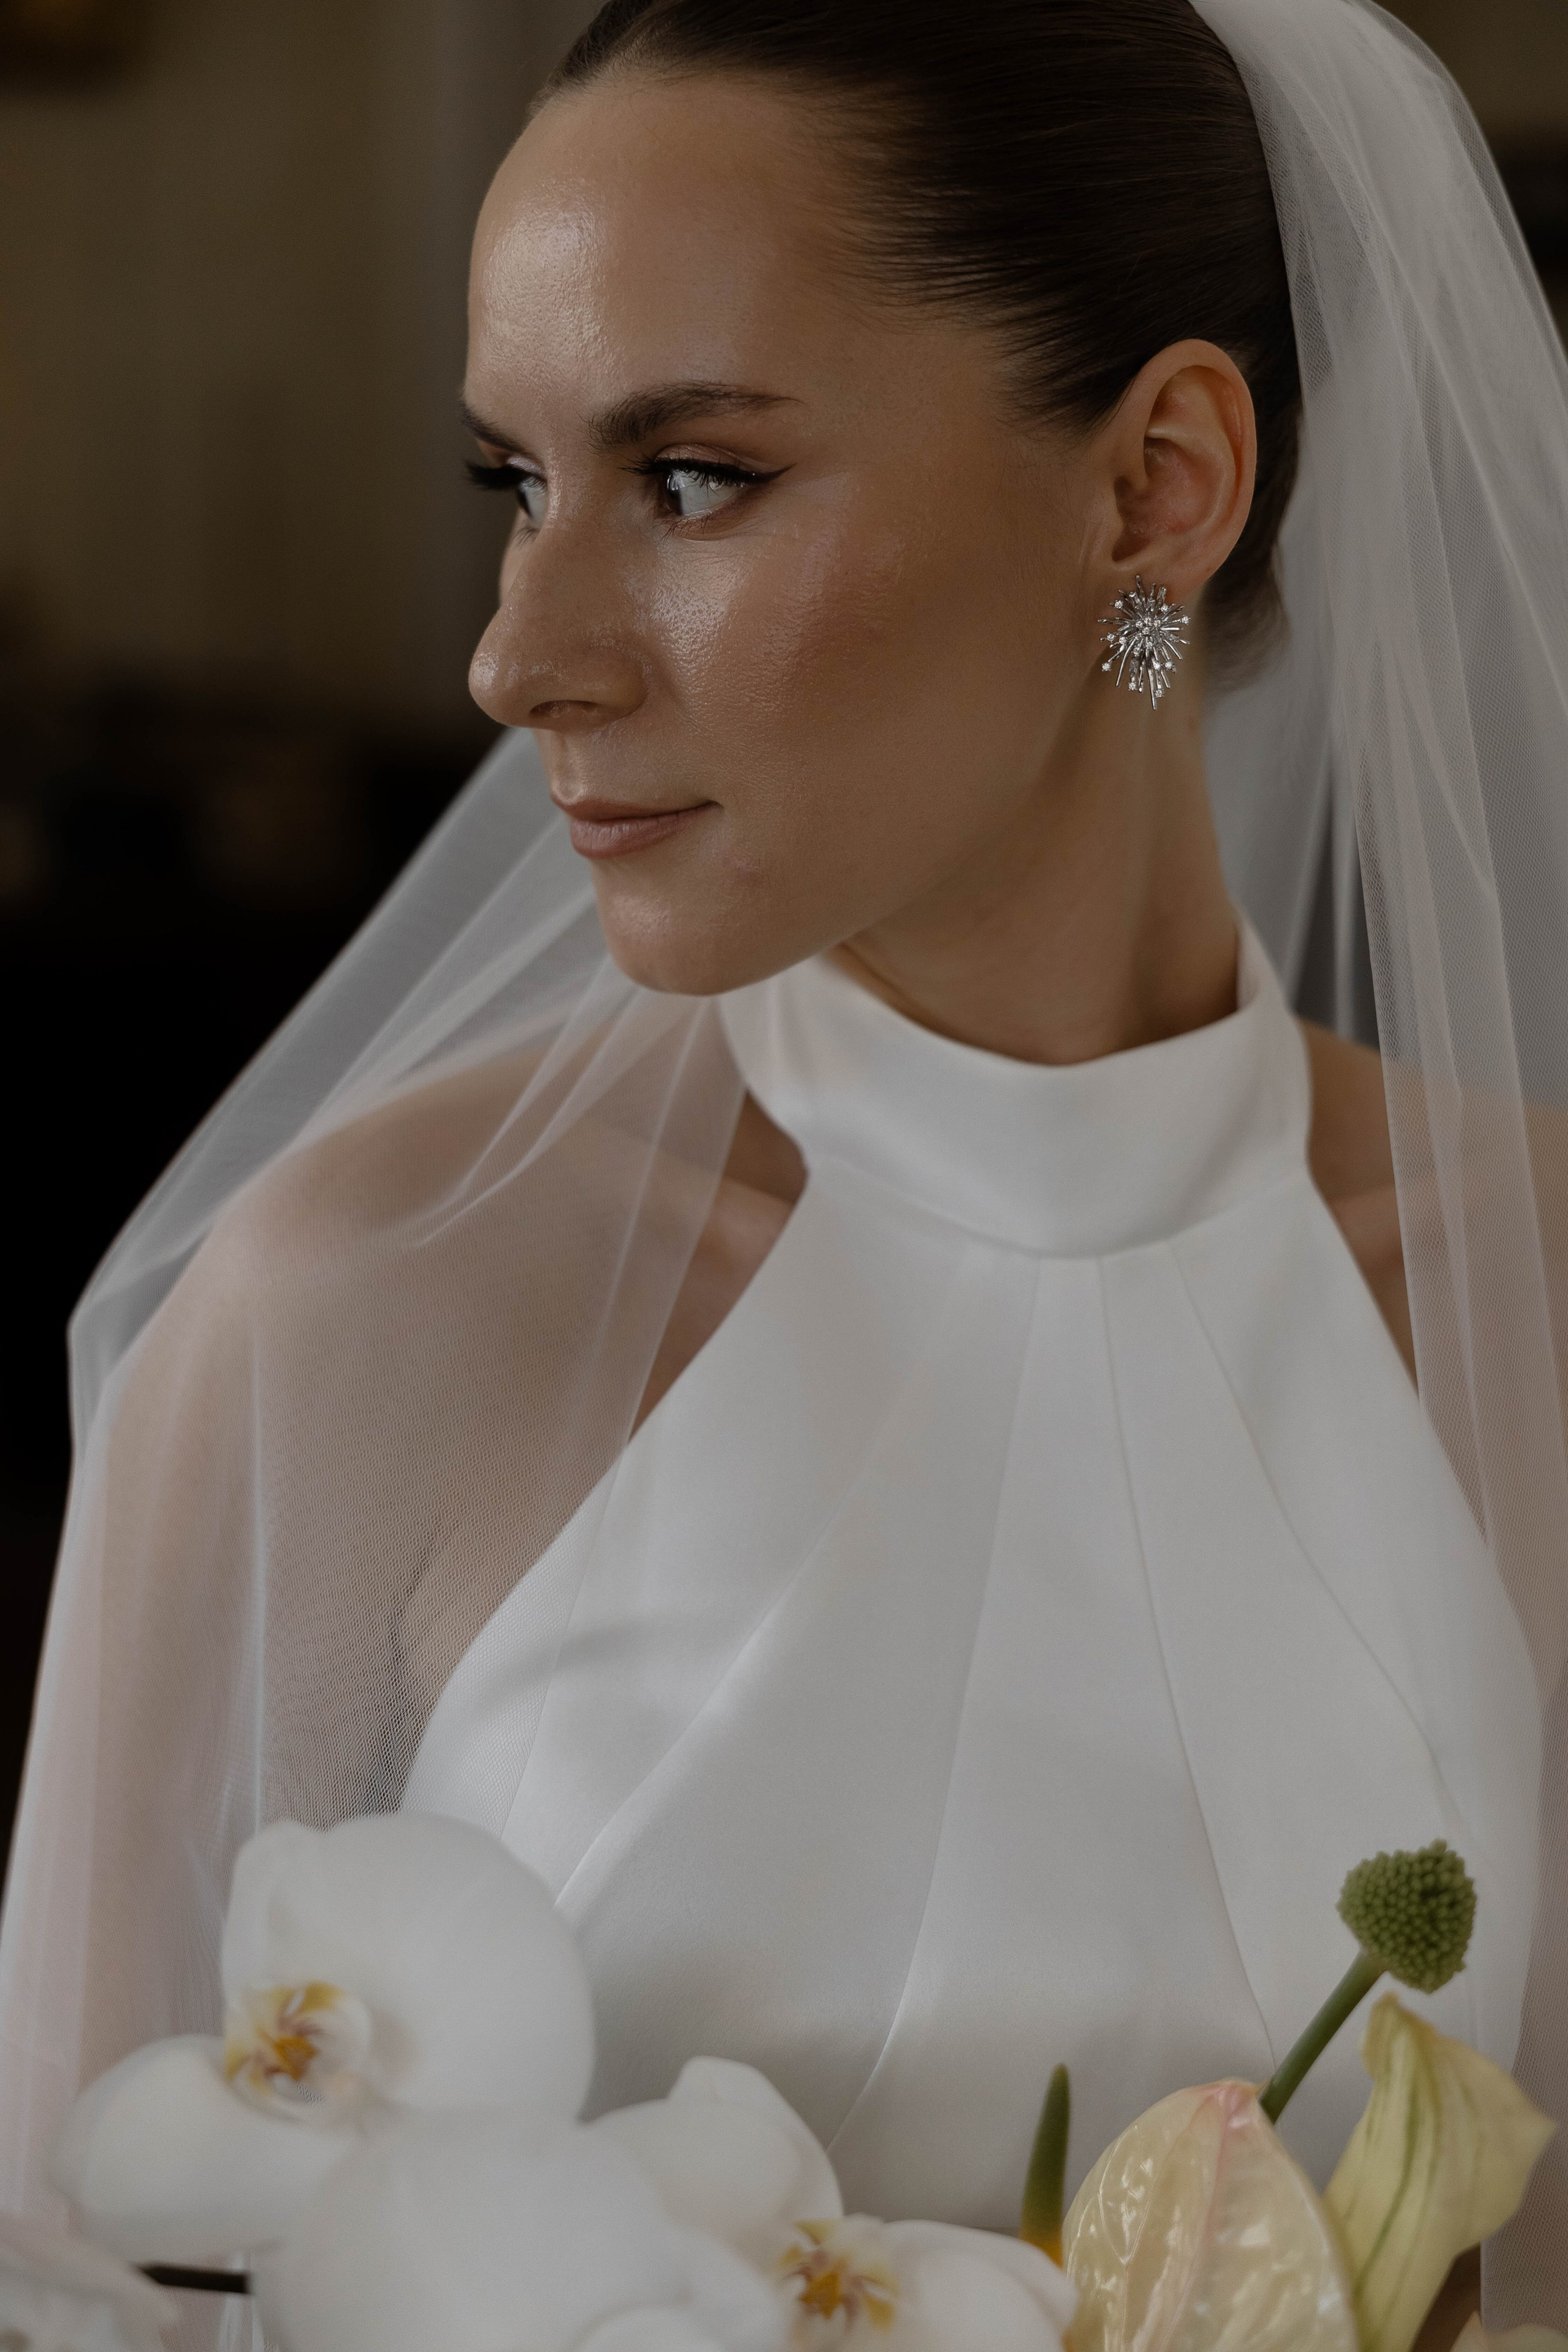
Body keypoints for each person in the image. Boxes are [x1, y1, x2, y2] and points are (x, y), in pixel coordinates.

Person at [5, 0, 1568, 2338]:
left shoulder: (1533, 1292)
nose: (517, 658)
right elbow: (83, 2284)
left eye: (692, 478)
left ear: (1157, 485)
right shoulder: (361, 1303)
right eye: (513, 482)